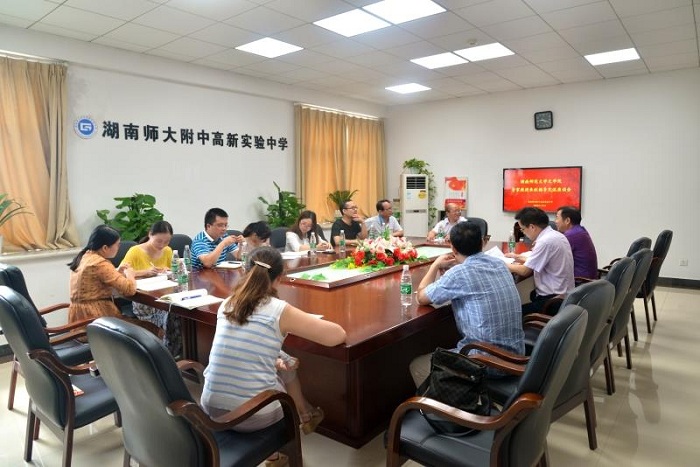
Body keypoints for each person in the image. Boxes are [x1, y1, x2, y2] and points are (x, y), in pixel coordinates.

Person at [201, 247, 346, 466]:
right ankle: (286, 441)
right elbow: (337, 335)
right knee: (283, 370)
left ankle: (304, 415)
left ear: (245, 271)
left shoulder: (228, 303)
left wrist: (279, 360)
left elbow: (244, 347)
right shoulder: (278, 309)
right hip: (253, 416)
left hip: (211, 408)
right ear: (279, 278)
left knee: (286, 363)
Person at [410, 221, 524, 386]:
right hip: (516, 357)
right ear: (482, 243)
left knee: (418, 366)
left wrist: (435, 265)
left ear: (453, 248)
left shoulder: (459, 273)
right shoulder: (499, 264)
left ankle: (456, 401)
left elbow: (421, 297)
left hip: (488, 363)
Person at [119, 220, 181, 356]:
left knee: (180, 311)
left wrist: (167, 271)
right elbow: (121, 273)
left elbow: (172, 270)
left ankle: (178, 351)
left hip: (164, 293)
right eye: (159, 241)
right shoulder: (135, 251)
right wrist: (144, 272)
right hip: (144, 300)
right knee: (172, 315)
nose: (162, 245)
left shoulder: (167, 250)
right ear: (150, 235)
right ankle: (164, 352)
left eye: (166, 242)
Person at [506, 207, 575, 315]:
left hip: (553, 301)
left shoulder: (545, 241)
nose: (524, 233)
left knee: (513, 314)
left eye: (523, 229)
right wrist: (518, 257)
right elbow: (541, 260)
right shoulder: (556, 235)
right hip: (564, 296)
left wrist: (502, 264)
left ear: (532, 227)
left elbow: (525, 271)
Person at [67, 225, 137, 323]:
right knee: (150, 327)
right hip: (96, 317)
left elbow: (96, 282)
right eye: (117, 245)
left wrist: (117, 273)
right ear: (105, 248)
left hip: (80, 316)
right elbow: (129, 290)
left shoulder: (85, 256)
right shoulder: (100, 263)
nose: (119, 248)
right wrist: (130, 274)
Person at [554, 206, 599, 281]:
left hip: (579, 281)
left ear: (567, 220)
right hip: (589, 279)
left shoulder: (571, 235)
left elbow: (554, 258)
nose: (555, 221)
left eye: (557, 218)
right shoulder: (579, 230)